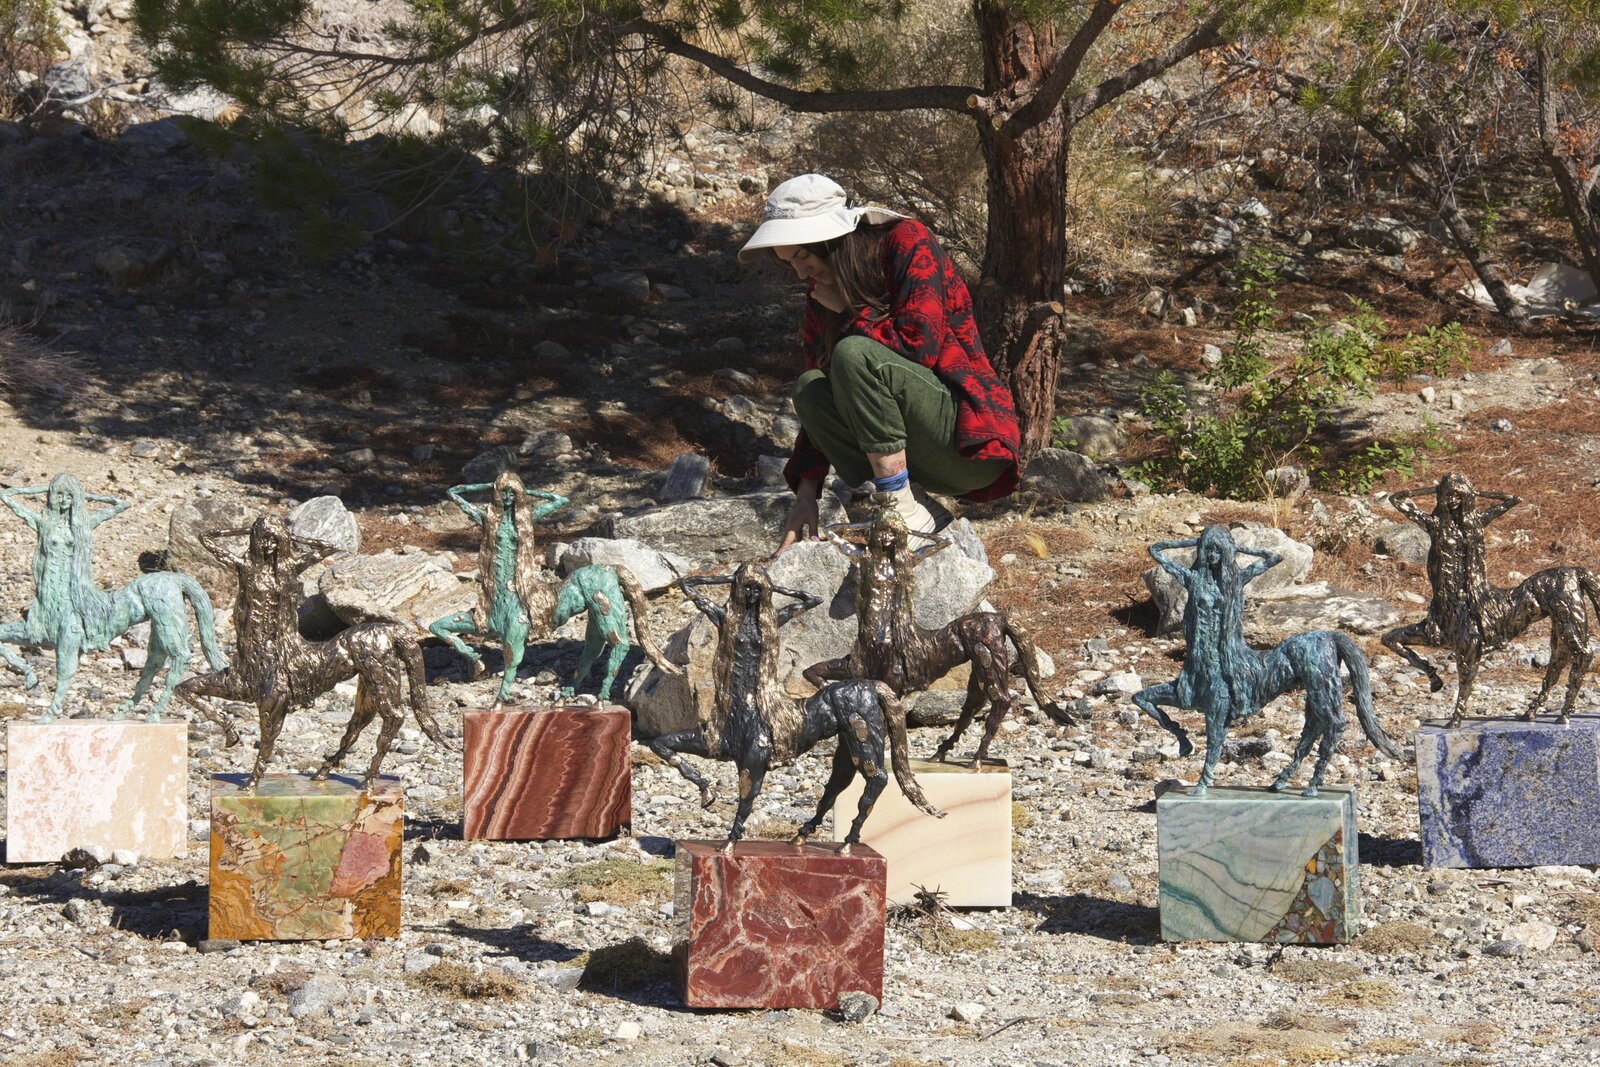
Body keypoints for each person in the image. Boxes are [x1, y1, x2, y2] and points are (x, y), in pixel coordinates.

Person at [739, 173, 1021, 553]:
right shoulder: (821, 294)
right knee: (810, 387)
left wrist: (851, 312)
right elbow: (818, 401)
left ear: (831, 238)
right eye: (790, 263)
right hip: (919, 462)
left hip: (966, 444)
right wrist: (805, 493)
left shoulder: (907, 241)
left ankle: (897, 504)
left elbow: (920, 345)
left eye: (803, 256)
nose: (801, 273)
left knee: (853, 353)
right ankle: (915, 506)